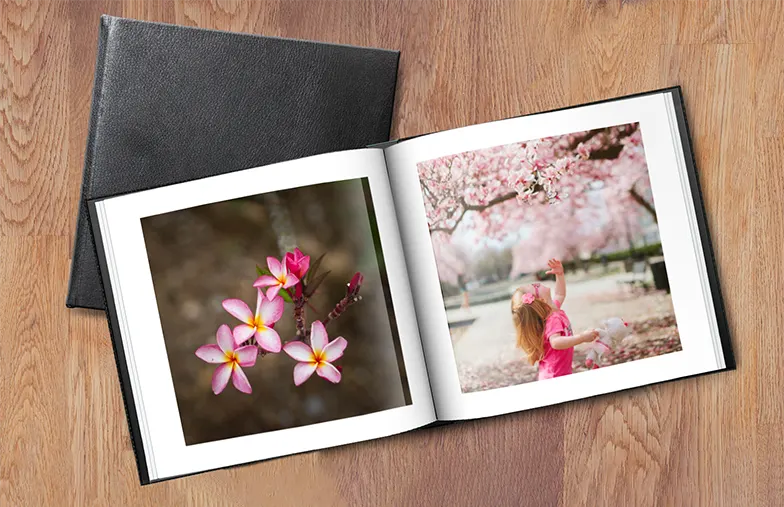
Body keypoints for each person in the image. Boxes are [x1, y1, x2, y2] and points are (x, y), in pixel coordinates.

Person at [510, 258, 598, 380]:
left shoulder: (553, 310)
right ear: (541, 300)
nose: (537, 283)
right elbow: (556, 342)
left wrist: (560, 275)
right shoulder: (552, 319)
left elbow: (560, 294)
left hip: (554, 372)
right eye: (535, 286)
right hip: (555, 376)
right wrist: (582, 337)